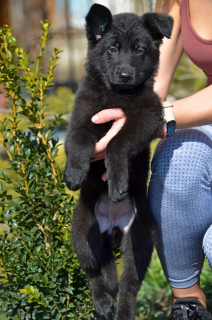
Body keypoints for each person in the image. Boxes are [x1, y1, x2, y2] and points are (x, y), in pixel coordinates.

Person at [90, 0, 212, 319]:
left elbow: (156, 110)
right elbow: (152, 84)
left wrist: (155, 118)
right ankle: (188, 301)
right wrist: (116, 121)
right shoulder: (177, 3)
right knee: (177, 155)